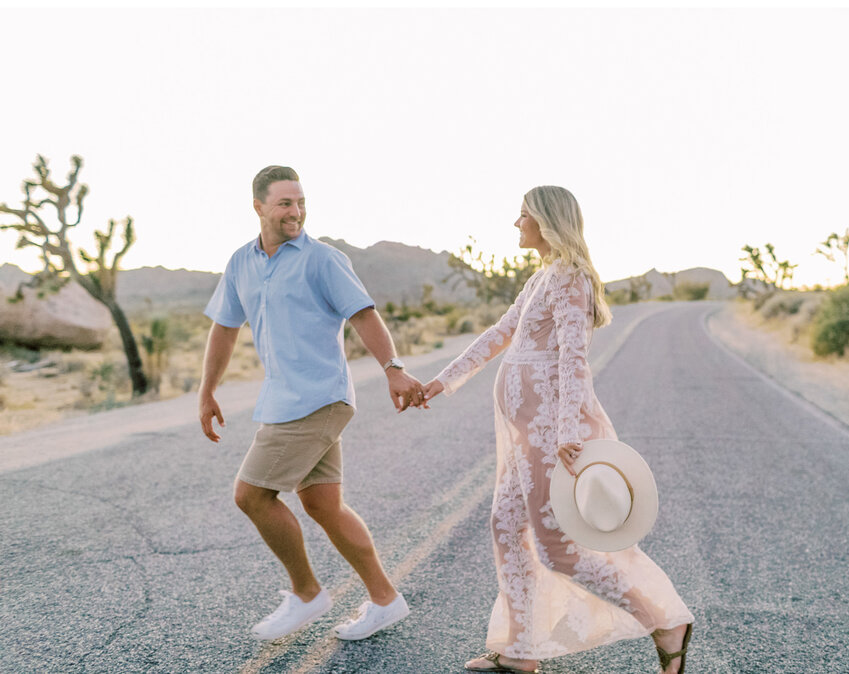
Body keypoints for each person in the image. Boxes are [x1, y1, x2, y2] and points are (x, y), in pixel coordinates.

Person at [422, 186, 695, 674]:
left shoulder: (570, 278)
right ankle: (521, 651)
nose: (515, 223)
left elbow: (574, 358)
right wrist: (441, 383)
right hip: (525, 434)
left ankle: (664, 621)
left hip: (553, 434)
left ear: (546, 220)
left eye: (523, 214)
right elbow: (498, 335)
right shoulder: (541, 278)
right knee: (506, 529)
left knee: (557, 549)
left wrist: (568, 429)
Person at [198, 165, 423, 642]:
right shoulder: (241, 262)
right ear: (258, 206)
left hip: (318, 397)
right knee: (324, 505)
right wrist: (206, 389)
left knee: (252, 496)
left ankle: (306, 592)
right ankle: (386, 600)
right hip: (282, 399)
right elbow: (224, 326)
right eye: (284, 203)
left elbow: (363, 314)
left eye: (300, 202)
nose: (295, 211)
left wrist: (393, 368)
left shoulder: (322, 259)